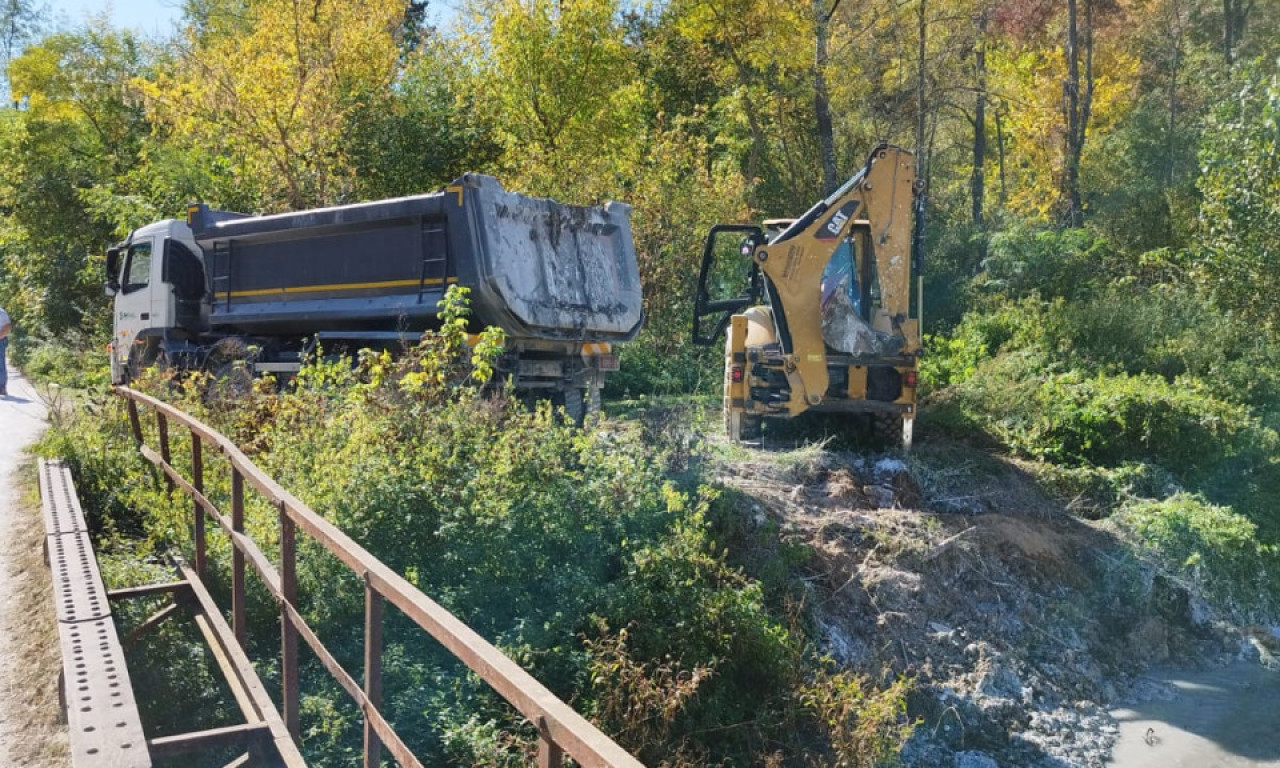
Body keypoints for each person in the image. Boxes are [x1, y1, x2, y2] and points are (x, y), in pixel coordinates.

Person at [0, 304, 9, 397]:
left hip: (0, 340)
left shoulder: (1, 312)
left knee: (0, 364)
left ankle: (2, 387)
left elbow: (7, 326)